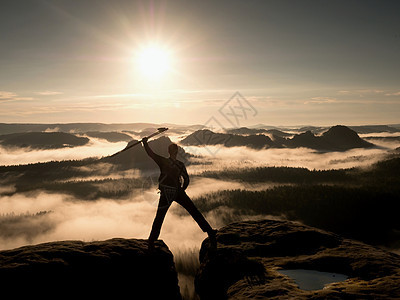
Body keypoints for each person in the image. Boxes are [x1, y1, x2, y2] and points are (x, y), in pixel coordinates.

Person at [142, 137, 217, 251]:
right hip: (178, 191)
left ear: (168, 152)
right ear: (176, 152)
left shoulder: (163, 161)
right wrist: (182, 189)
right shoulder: (180, 165)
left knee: (159, 217)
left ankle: (151, 241)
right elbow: (186, 179)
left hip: (166, 193)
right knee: (194, 211)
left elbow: (151, 154)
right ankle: (210, 232)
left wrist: (145, 143)